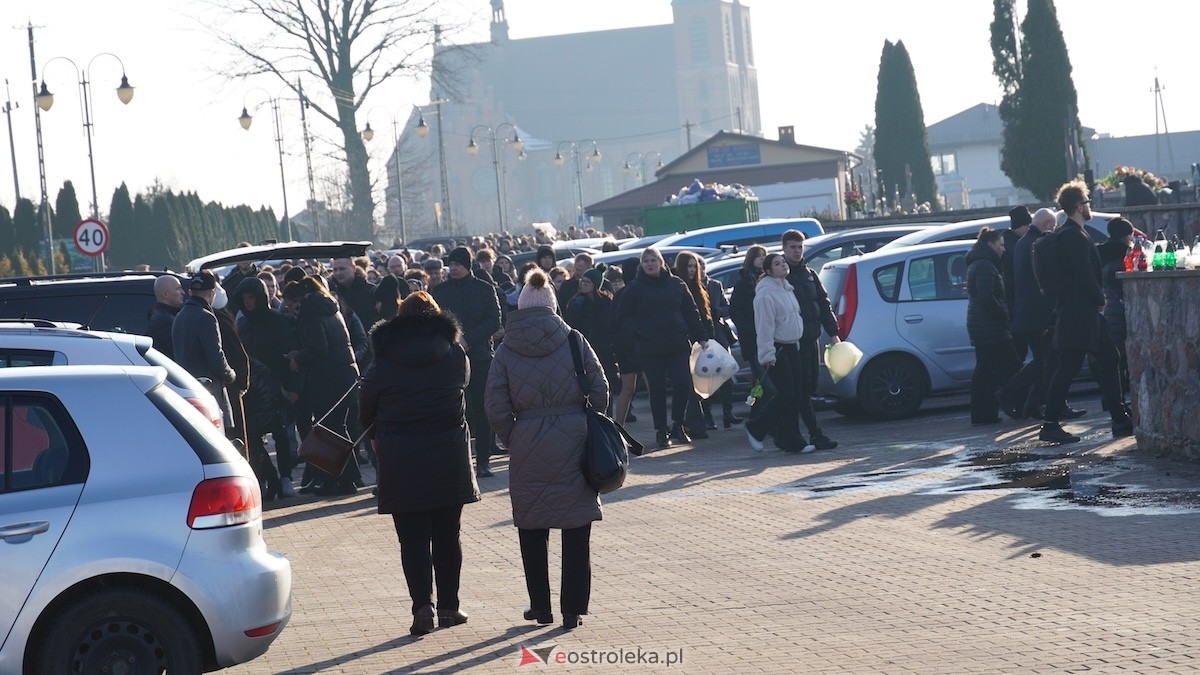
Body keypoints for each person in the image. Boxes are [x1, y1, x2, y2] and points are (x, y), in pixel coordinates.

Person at [483, 269, 608, 632]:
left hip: (527, 439)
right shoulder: (572, 338)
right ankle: (572, 610)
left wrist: (514, 436)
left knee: (532, 526)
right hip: (574, 436)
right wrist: (587, 422)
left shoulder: (505, 348)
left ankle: (540, 607)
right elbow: (600, 387)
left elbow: (494, 404)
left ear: (521, 306)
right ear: (553, 305)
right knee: (576, 527)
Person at [360, 291, 480, 636]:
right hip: (447, 454)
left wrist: (378, 430)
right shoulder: (455, 353)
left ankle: (422, 608)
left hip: (401, 456)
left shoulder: (383, 359)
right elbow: (464, 385)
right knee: (447, 534)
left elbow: (365, 408)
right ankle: (449, 607)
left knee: (412, 539)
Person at [1039, 180, 1132, 443]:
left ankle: (1119, 418)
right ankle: (1050, 424)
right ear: (1079, 206)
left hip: (1080, 312)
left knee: (1109, 357)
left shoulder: (1074, 232)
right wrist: (1098, 298)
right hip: (1079, 311)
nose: (1090, 206)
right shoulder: (1073, 235)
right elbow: (1084, 273)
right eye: (1088, 202)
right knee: (1068, 367)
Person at [615, 247, 708, 449]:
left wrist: (701, 337)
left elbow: (691, 312)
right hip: (650, 348)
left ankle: (678, 424)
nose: (650, 264)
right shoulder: (635, 288)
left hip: (677, 344)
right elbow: (623, 317)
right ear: (642, 265)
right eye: (646, 261)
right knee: (656, 390)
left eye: (653, 260)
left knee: (683, 383)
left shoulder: (676, 284)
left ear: (661, 263)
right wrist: (638, 333)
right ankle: (660, 431)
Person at [283, 276, 362, 495]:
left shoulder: (310, 312)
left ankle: (336, 481)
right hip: (345, 376)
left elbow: (318, 348)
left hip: (327, 380)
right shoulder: (329, 306)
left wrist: (296, 356)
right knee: (338, 428)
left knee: (327, 430)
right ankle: (347, 479)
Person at [433, 246, 503, 478]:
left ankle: (483, 459)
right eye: (451, 264)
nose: (453, 268)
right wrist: (453, 339)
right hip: (449, 359)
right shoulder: (440, 291)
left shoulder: (483, 289)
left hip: (479, 357)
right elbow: (435, 320)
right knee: (453, 411)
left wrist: (469, 339)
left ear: (468, 265)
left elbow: (494, 320)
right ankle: (457, 461)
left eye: (458, 264)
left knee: (482, 410)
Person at [745, 253, 813, 453]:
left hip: (792, 346)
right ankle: (756, 427)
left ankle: (792, 440)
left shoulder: (786, 288)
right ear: (767, 271)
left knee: (795, 395)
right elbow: (764, 326)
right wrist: (767, 354)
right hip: (778, 348)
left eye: (783, 262)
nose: (783, 265)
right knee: (787, 394)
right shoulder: (765, 293)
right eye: (777, 263)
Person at [781, 229, 841, 451]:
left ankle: (772, 430)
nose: (797, 251)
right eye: (792, 247)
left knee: (808, 386)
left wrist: (833, 333)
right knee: (800, 390)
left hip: (811, 340)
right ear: (784, 249)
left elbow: (824, 304)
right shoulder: (780, 276)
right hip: (791, 342)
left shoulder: (809, 274)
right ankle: (814, 434)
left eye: (799, 247)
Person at [965, 227, 1020, 425]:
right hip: (990, 326)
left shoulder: (978, 263)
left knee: (984, 372)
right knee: (1011, 365)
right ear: (990, 244)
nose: (1003, 250)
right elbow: (987, 297)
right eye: (1001, 245)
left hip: (981, 324)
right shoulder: (986, 265)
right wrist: (1003, 315)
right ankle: (1013, 403)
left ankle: (983, 414)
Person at [172, 270, 237, 427]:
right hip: (209, 390)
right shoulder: (206, 317)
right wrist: (230, 374)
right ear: (212, 293)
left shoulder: (179, 317)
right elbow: (216, 357)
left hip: (188, 388)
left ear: (190, 292)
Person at [672, 251, 715, 439]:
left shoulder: (698, 287)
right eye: (688, 266)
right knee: (688, 385)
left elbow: (704, 316)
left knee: (702, 383)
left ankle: (703, 419)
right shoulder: (677, 287)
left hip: (700, 341)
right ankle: (693, 424)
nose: (691, 270)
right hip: (683, 342)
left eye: (694, 266)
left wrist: (707, 337)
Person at [563, 265, 618, 413]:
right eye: (582, 281)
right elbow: (570, 325)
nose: (583, 284)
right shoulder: (576, 302)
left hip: (604, 349)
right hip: (583, 350)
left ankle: (608, 419)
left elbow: (612, 325)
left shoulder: (606, 302)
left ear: (595, 284)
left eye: (588, 281)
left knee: (606, 386)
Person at [1098, 217, 1134, 397]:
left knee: (1109, 358)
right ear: (1125, 236)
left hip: (1103, 308)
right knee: (1121, 357)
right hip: (1117, 309)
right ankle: (1118, 399)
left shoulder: (1099, 252)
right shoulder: (1123, 256)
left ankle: (1111, 397)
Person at [609, 258, 644, 427]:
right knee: (654, 388)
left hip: (624, 348)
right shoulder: (640, 290)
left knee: (627, 389)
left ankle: (619, 427)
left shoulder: (620, 295)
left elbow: (614, 323)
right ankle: (663, 427)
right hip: (642, 345)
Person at [729, 245, 768, 385]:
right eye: (759, 256)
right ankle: (760, 404)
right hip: (752, 338)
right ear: (751, 259)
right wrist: (749, 328)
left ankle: (755, 404)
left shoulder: (769, 279)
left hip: (769, 336)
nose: (762, 258)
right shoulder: (743, 283)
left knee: (760, 380)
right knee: (763, 378)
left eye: (764, 255)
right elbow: (735, 310)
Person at [1002, 206, 1032, 356]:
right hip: (1014, 306)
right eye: (1027, 226)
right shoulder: (1014, 246)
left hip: (1016, 306)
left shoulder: (1009, 242)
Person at [145, 275, 186, 359]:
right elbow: (178, 353)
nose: (183, 292)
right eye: (178, 289)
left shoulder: (164, 315)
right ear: (165, 294)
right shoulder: (165, 321)